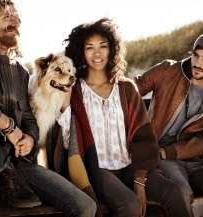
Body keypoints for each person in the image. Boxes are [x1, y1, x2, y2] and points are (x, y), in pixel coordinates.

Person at [0, 0, 96, 216]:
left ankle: (8, 172)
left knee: (86, 206)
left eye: (16, 16)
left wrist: (30, 138)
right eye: (6, 16)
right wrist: (7, 125)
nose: (16, 20)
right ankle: (3, 168)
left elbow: (29, 118)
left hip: (17, 169)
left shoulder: (20, 72)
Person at [58, 17, 190, 217]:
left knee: (174, 192)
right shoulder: (76, 91)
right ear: (81, 52)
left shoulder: (126, 88)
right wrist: (66, 100)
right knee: (130, 205)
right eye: (89, 48)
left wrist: (139, 181)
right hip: (97, 169)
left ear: (112, 49)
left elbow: (144, 136)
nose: (97, 53)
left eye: (103, 46)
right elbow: (70, 141)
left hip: (130, 165)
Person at [134, 32, 203, 216]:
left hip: (199, 160)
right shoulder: (168, 70)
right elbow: (132, 89)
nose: (198, 63)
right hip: (164, 157)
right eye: (196, 55)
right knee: (182, 193)